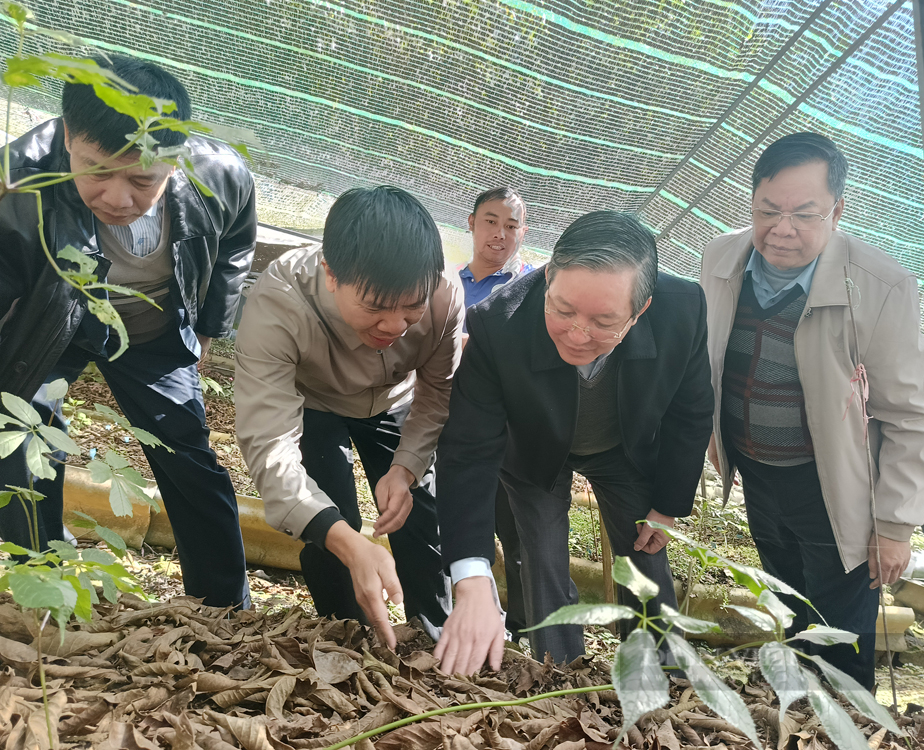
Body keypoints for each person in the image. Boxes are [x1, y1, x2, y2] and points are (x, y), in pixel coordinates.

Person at [0, 56, 255, 608]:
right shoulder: (18, 181)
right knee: (25, 433)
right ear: (69, 135)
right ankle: (46, 578)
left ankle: (223, 603)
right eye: (96, 171)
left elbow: (236, 243)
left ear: (175, 158)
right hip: (54, 322)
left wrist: (210, 325)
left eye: (143, 179)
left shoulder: (222, 176)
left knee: (187, 451)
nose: (119, 198)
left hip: (150, 328)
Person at [700, 132, 924, 689]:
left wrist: (896, 525)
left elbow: (909, 415)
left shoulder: (880, 286)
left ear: (838, 208)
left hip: (836, 486)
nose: (781, 229)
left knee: (839, 628)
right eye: (767, 210)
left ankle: (845, 719)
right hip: (756, 475)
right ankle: (801, 714)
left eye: (804, 214)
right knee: (788, 599)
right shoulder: (721, 258)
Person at [433, 210, 715, 675]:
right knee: (542, 558)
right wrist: (472, 572)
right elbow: (468, 450)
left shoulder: (682, 310)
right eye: (562, 310)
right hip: (535, 452)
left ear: (641, 308)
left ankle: (659, 672)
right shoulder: (497, 324)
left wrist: (667, 506)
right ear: (548, 278)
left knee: (645, 555)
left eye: (603, 321)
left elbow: (691, 411)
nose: (578, 334)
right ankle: (556, 675)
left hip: (623, 449)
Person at [234, 186, 462, 648]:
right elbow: (270, 443)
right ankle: (350, 635)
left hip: (396, 399)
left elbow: (438, 392)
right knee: (330, 518)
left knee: (419, 509)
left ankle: (436, 634)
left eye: (410, 309)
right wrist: (340, 536)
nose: (396, 327)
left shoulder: (443, 292)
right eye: (376, 307)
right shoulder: (278, 303)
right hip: (314, 403)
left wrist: (406, 466)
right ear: (331, 274)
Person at [458, 186, 532, 639]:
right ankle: (464, 617)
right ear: (471, 223)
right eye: (490, 221)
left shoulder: (533, 288)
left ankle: (525, 628)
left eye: (511, 225)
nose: (499, 233)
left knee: (518, 532)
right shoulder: (447, 285)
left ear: (524, 232)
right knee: (460, 522)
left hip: (513, 432)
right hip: (455, 428)